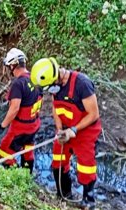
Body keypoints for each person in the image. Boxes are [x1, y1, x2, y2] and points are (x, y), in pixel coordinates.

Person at [30, 58, 102, 209]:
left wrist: (73, 130)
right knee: (58, 162)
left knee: (85, 167)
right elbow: (56, 109)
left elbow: (93, 114)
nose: (49, 92)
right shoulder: (55, 87)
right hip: (65, 131)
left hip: (85, 131)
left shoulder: (82, 84)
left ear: (56, 77)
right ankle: (64, 193)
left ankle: (88, 201)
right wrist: (60, 130)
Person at [0, 48, 43, 174]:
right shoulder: (35, 79)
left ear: (12, 65)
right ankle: (27, 176)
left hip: (20, 128)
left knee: (3, 152)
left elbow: (14, 108)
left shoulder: (18, 84)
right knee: (27, 151)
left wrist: (2, 126)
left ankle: (15, 178)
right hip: (34, 125)